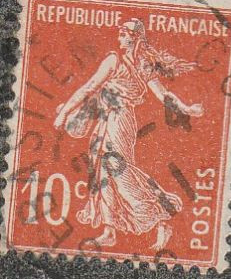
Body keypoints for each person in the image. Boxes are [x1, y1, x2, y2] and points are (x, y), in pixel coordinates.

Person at [53, 19, 205, 252]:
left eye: (123, 34)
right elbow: (89, 88)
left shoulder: (140, 64)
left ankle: (162, 217)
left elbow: (163, 95)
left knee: (120, 171)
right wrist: (66, 112)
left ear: (134, 37)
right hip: (106, 120)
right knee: (102, 170)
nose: (119, 38)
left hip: (120, 120)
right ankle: (109, 231)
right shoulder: (115, 59)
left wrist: (186, 109)